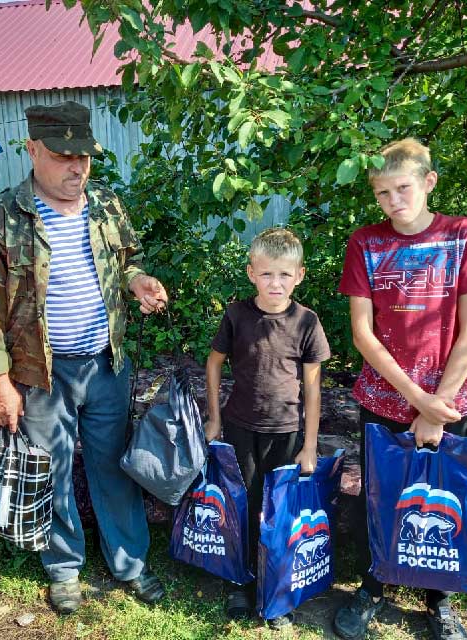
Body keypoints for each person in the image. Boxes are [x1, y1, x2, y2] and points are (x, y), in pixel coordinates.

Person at [0, 101, 168, 615]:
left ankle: (129, 563)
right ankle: (63, 568)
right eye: (63, 156)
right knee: (53, 468)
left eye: (84, 156)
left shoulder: (106, 205)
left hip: (106, 362)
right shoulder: (1, 216)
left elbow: (127, 263)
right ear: (32, 149)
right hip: (41, 372)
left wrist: (139, 282)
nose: (77, 168)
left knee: (114, 465)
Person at [333, 138, 467, 640]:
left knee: (441, 496)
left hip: (448, 402)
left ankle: (439, 601)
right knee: (379, 497)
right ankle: (374, 584)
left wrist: (435, 406)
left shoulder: (464, 236)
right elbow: (363, 333)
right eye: (381, 193)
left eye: (402, 188)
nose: (392, 201)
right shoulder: (366, 243)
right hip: (382, 398)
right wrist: (415, 400)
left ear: (428, 182)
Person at [204, 227, 331, 629]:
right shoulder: (236, 315)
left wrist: (308, 445)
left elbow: (313, 386)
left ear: (300, 275)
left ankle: (275, 585)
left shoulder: (306, 322)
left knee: (279, 513)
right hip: (241, 427)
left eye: (284, 275)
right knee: (244, 504)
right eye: (266, 274)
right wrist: (214, 417)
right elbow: (213, 363)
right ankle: (239, 579)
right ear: (250, 273)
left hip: (287, 432)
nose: (275, 283)